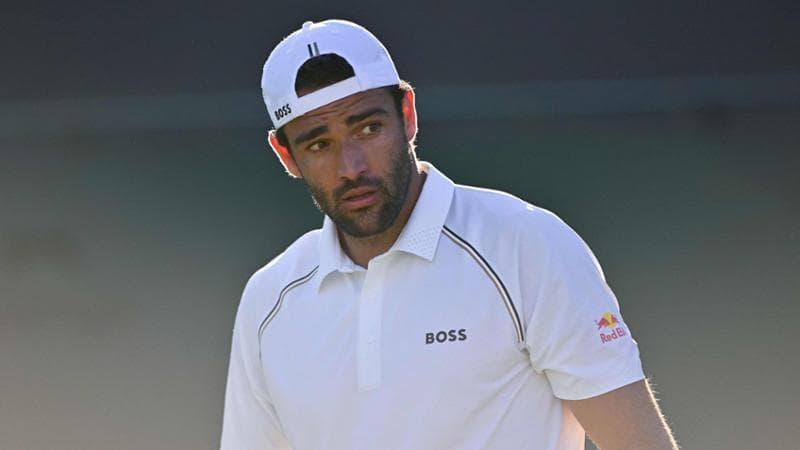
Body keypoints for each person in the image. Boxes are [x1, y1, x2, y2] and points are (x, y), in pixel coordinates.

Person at [221, 19, 679, 450]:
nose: (351, 167)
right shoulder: (267, 299)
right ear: (286, 155)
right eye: (319, 144)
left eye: (368, 128)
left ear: (407, 114)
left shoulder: (526, 245)